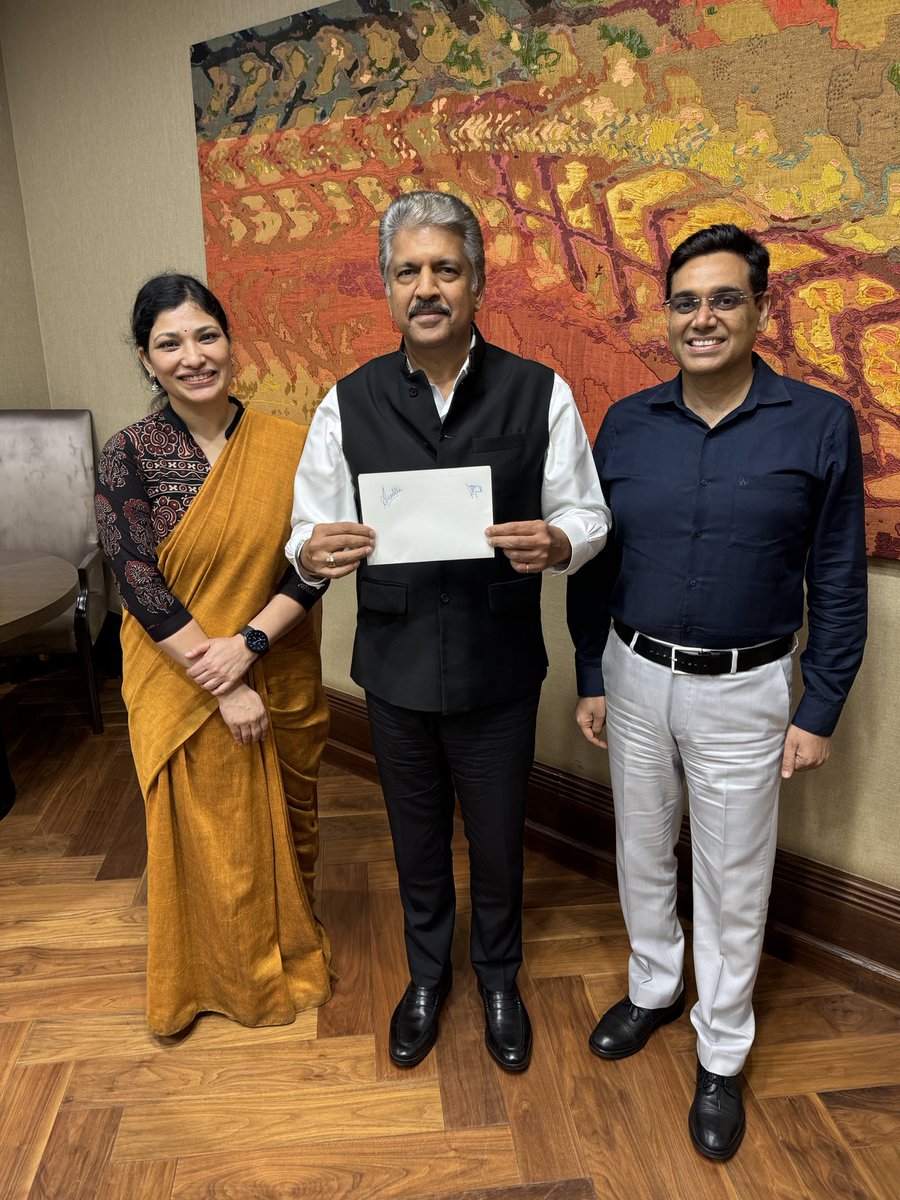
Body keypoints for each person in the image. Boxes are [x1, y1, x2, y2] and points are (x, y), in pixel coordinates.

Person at [287, 191, 610, 1072]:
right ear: (387, 288)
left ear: (475, 281)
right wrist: (316, 546)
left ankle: (497, 973)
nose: (426, 287)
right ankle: (426, 975)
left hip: (499, 663)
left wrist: (559, 540)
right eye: (408, 271)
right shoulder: (342, 402)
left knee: (500, 834)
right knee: (414, 833)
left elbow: (588, 513)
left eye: (445, 269)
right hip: (391, 668)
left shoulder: (540, 392)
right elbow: (303, 532)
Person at [568, 224, 867, 1159]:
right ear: (667, 316)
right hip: (634, 672)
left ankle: (723, 1049)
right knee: (642, 848)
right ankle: (656, 989)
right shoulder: (625, 422)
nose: (703, 317)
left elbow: (839, 576)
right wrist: (590, 674)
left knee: (734, 879)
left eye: (724, 298)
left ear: (760, 310)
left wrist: (818, 707)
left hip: (747, 689)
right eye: (686, 300)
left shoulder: (818, 423)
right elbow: (591, 562)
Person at [95, 274, 332, 1036]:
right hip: (179, 677)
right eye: (171, 343)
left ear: (231, 343)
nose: (193, 356)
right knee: (206, 841)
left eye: (206, 336)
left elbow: (312, 564)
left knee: (284, 830)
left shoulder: (289, 446)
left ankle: (285, 952)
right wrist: (221, 678)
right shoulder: (128, 454)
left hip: (274, 658)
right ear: (148, 359)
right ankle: (208, 978)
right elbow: (135, 576)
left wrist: (251, 646)